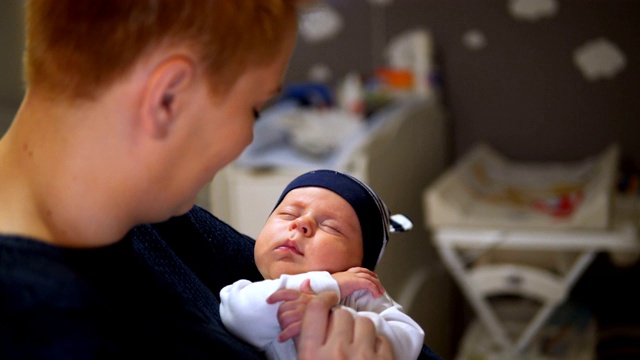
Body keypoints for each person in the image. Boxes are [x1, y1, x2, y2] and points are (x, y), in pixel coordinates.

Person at [0, 1, 442, 359]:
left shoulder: (150, 217)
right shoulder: (46, 327)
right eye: (253, 108)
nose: (247, 139)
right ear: (168, 97)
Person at [220, 169, 424, 360]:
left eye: (331, 227)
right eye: (288, 214)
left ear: (360, 264)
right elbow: (242, 316)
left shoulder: (360, 293)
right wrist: (327, 284)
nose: (300, 224)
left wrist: (336, 318)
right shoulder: (250, 292)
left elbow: (409, 337)